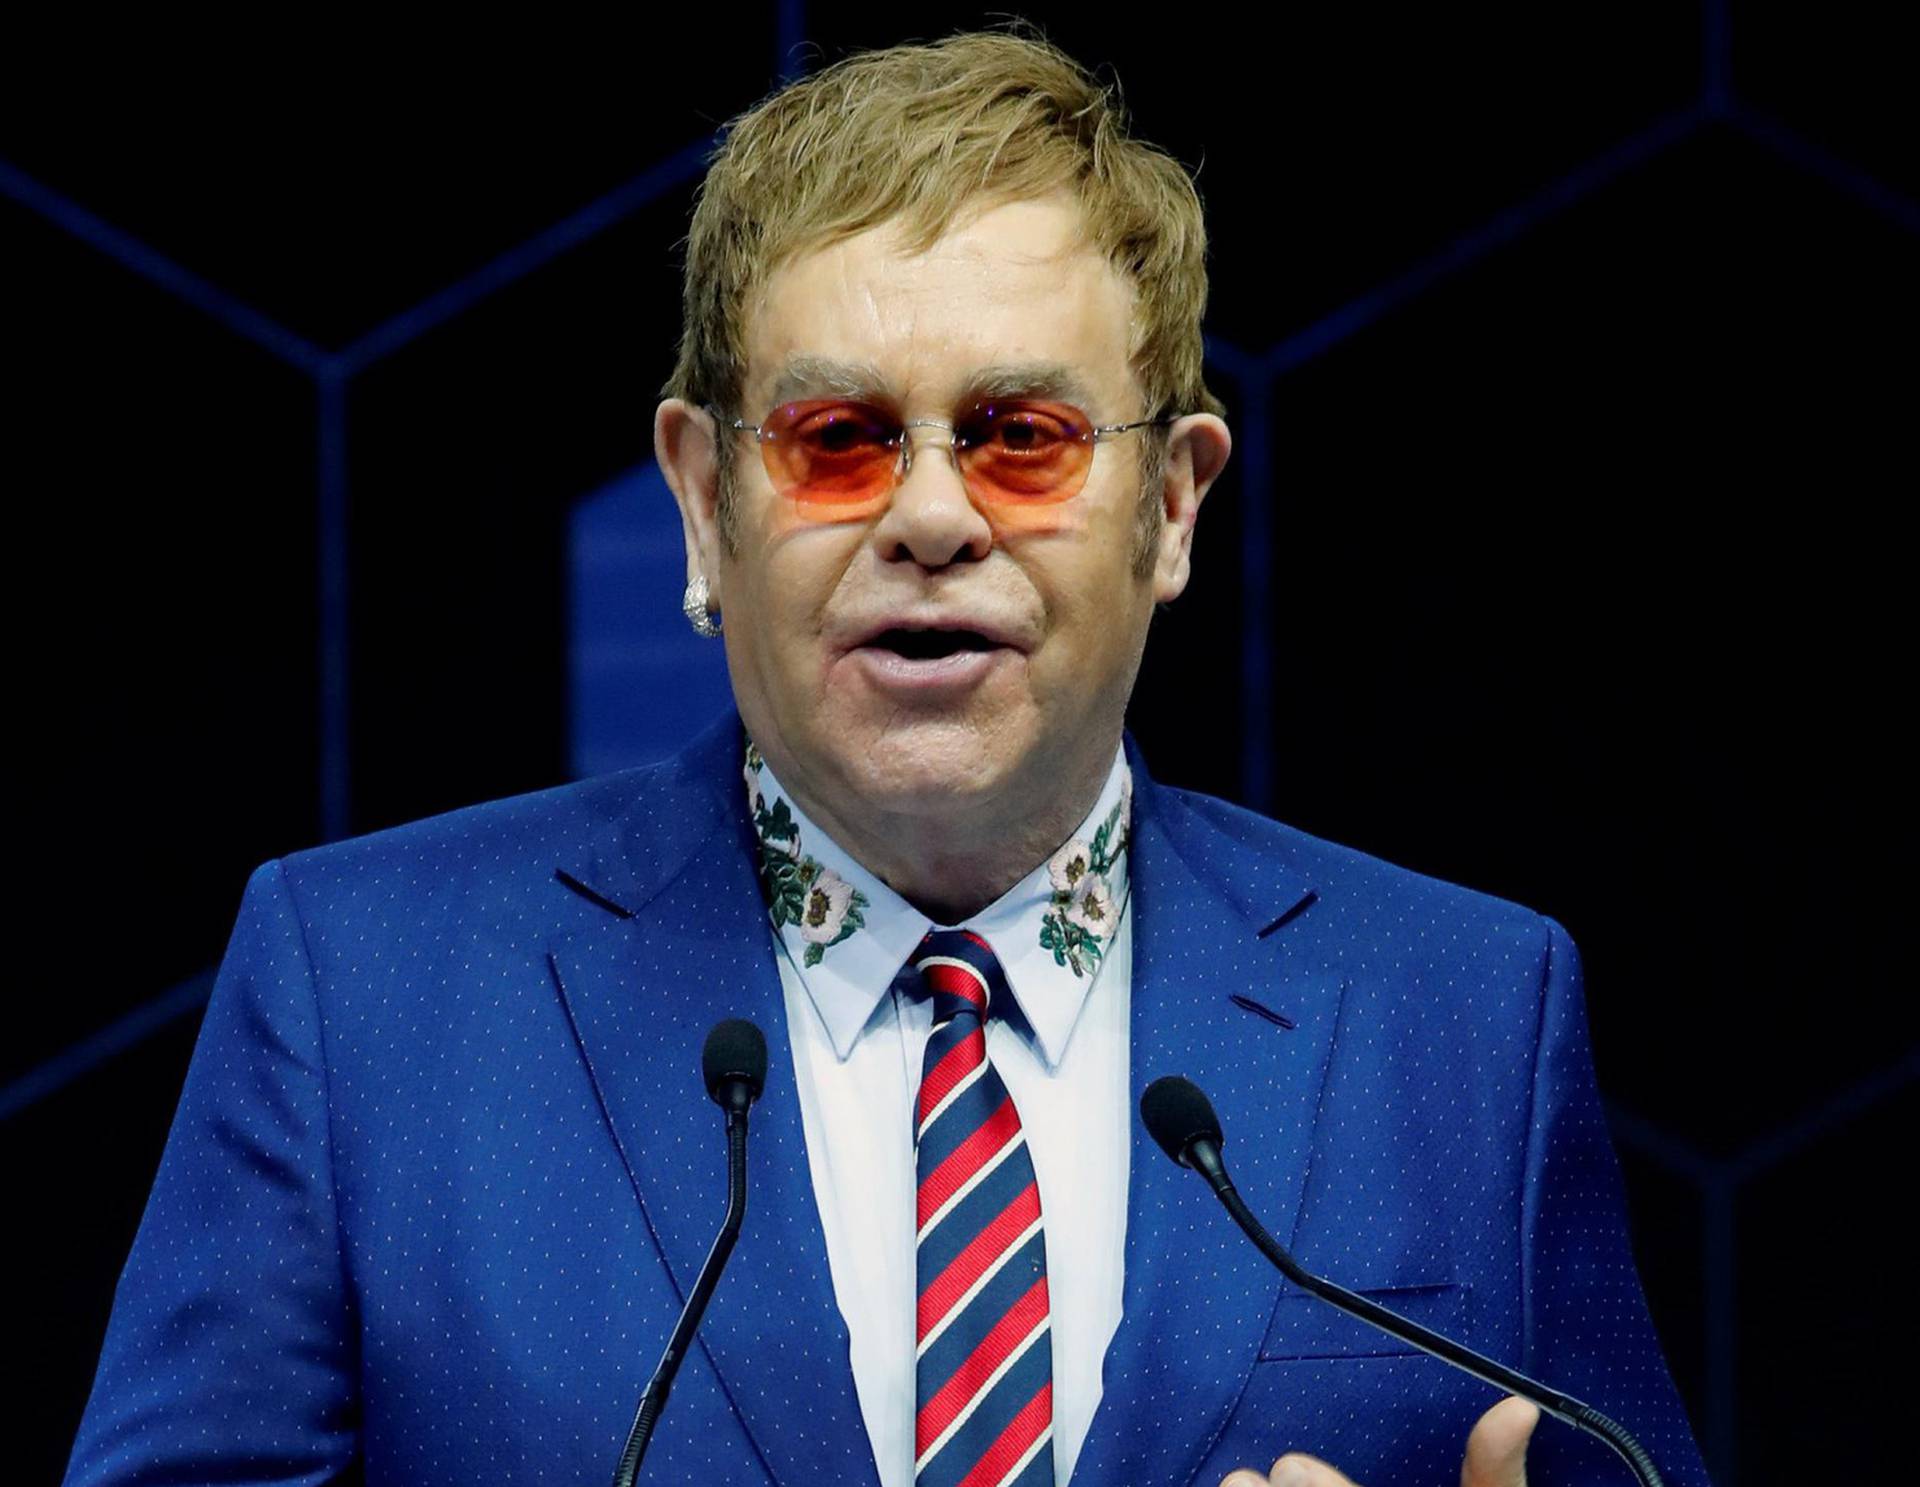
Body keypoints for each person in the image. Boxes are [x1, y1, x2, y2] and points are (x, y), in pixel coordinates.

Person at [66, 32, 1709, 1487]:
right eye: (838, 442)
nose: (933, 518)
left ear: (1176, 504)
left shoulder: (1466, 1015)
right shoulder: (365, 995)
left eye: (1023, 438)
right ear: (706, 498)